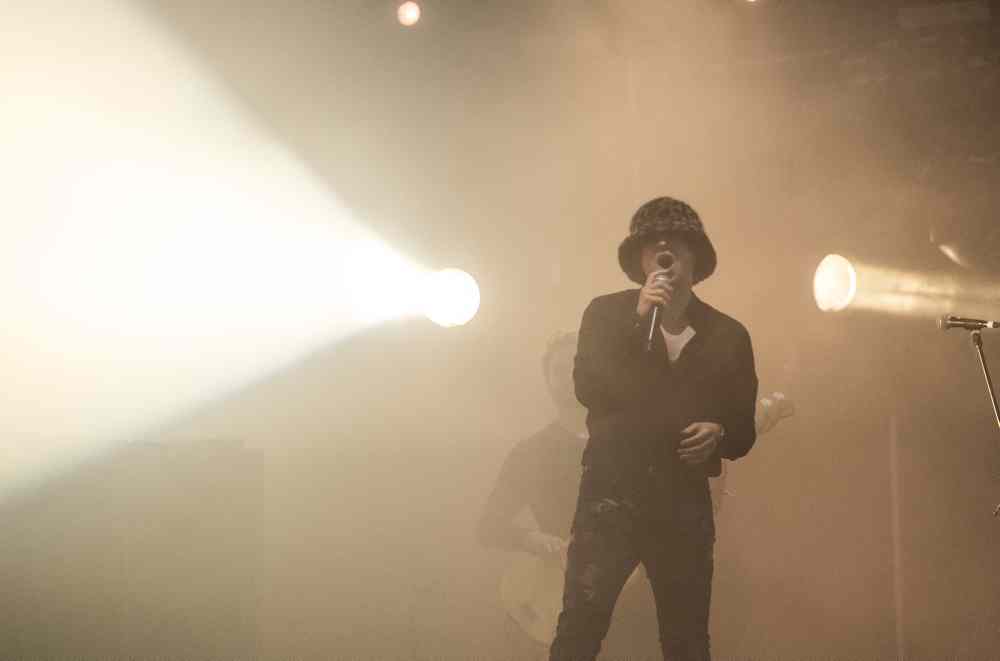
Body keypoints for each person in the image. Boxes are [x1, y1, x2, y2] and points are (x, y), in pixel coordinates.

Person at [548, 196, 758, 661]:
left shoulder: (728, 335)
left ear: (695, 257)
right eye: (653, 245)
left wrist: (719, 432)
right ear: (639, 260)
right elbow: (588, 388)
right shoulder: (605, 314)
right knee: (580, 628)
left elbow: (744, 430)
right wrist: (636, 319)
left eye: (676, 244)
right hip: (610, 497)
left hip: (682, 504)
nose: (664, 253)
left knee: (687, 640)